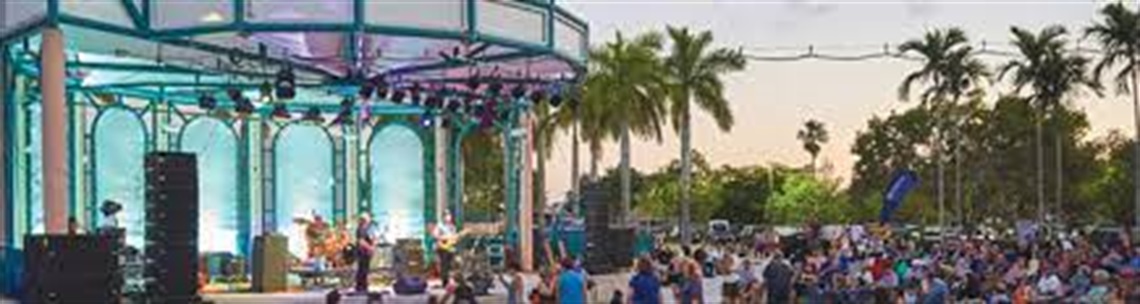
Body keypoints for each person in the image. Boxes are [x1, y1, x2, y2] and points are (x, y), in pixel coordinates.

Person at [433, 213, 460, 287]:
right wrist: (445, 237)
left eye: (450, 216)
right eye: (447, 216)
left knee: (451, 265)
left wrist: (455, 239)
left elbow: (454, 237)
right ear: (444, 218)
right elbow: (435, 235)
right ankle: (444, 281)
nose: (449, 218)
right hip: (442, 248)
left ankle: (452, 280)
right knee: (444, 265)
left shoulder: (452, 227)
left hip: (450, 248)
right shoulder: (439, 226)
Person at [354, 213, 375, 293]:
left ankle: (364, 286)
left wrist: (372, 246)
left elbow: (371, 238)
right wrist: (370, 247)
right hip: (362, 252)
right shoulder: (361, 229)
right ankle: (360, 286)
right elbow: (361, 241)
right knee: (362, 269)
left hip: (366, 252)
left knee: (365, 269)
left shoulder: (368, 228)